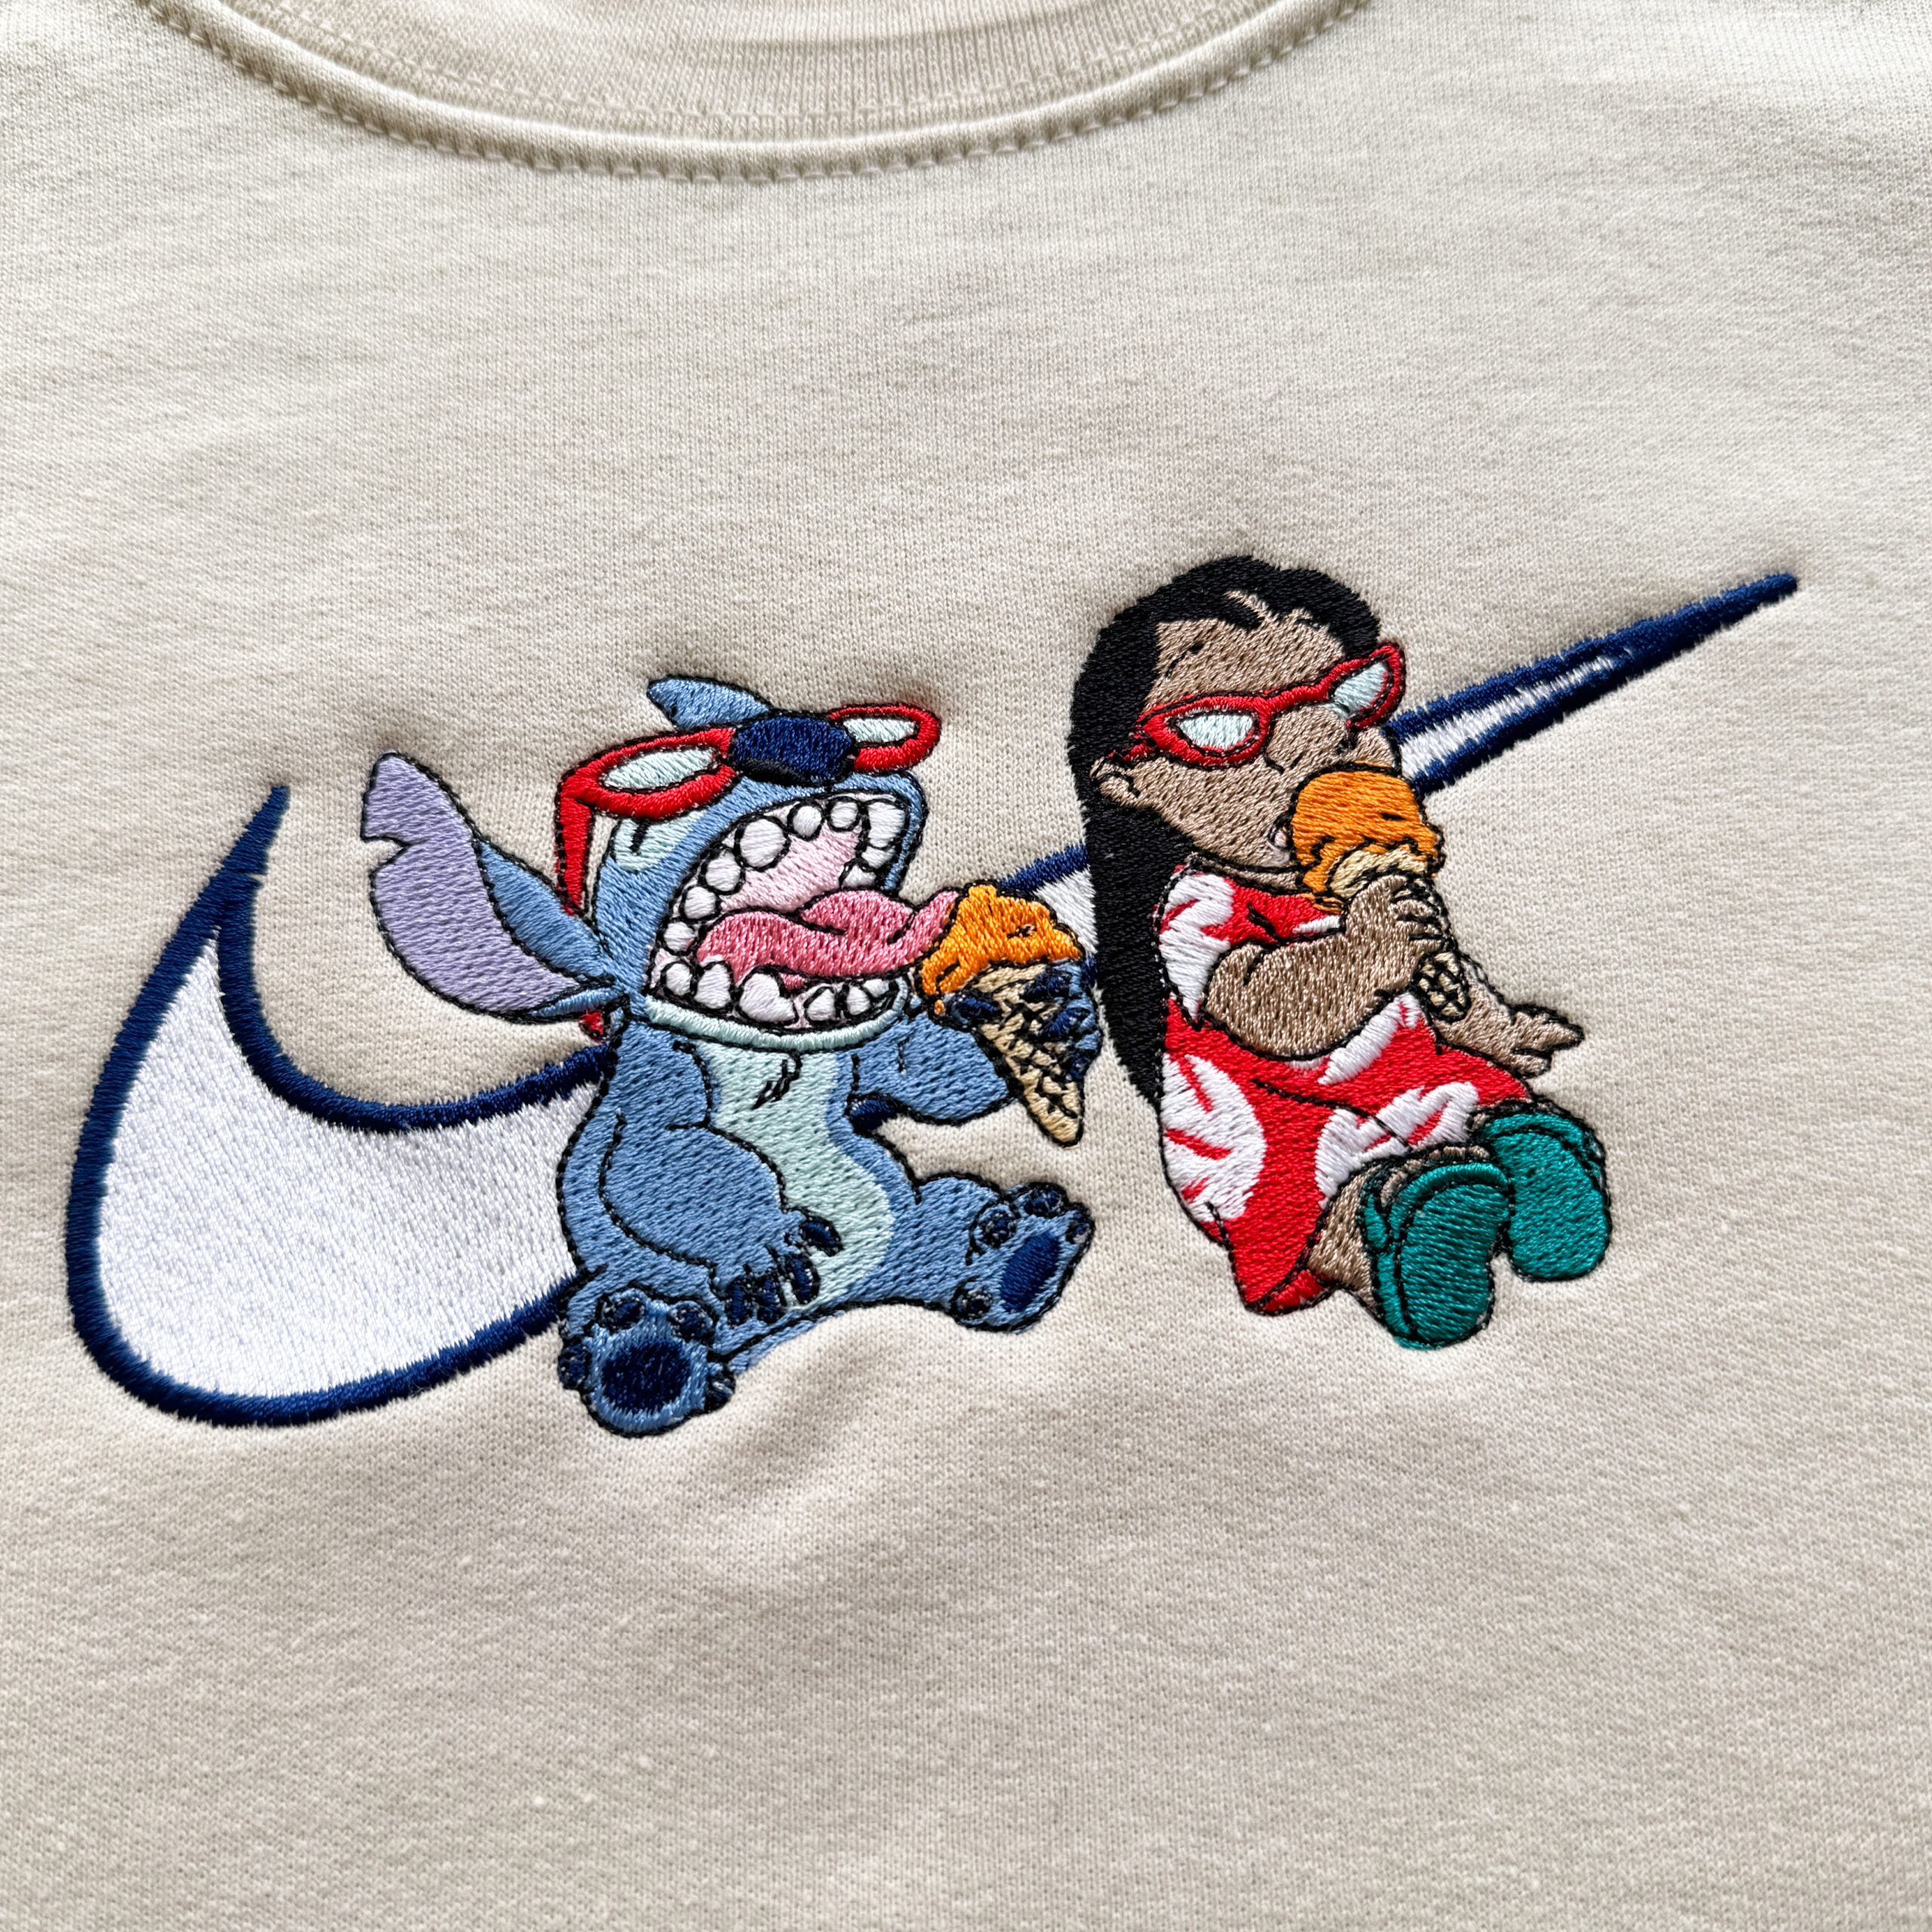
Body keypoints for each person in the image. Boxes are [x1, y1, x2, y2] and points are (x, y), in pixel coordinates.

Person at [1068, 557, 1611, 1347]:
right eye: (1222, 728)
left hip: (1409, 1075)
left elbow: (1439, 972)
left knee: (1483, 1104)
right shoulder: (1200, 905)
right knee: (1322, 1202)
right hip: (1279, 1121)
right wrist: (1363, 957)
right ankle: (1390, 1241)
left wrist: (1491, 1026)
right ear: (1128, 781)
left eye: (1347, 698)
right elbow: (1265, 1013)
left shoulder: (1371, 878)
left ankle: (1530, 1177)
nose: (1314, 742)